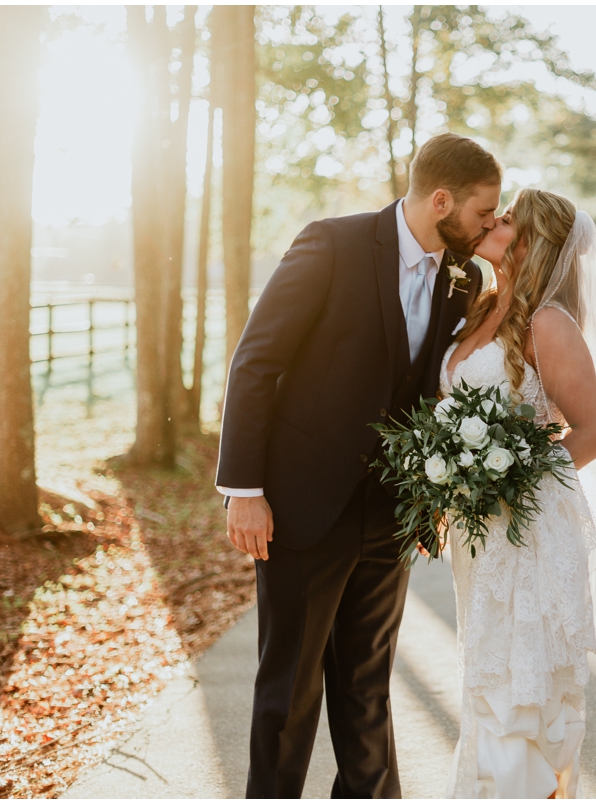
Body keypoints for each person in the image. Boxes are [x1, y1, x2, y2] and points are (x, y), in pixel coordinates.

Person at [215, 133, 502, 799]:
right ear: (440, 201)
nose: (489, 224)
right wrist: (245, 489)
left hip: (392, 516)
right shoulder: (332, 245)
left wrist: (432, 494)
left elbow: (430, 391)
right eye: (483, 212)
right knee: (288, 692)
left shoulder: (463, 280)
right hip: (300, 507)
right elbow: (256, 361)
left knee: (367, 690)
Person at [438, 188, 596, 798]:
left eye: (508, 218)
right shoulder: (483, 304)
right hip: (477, 530)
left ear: (533, 242)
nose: (495, 220)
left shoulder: (548, 323)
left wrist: (510, 478)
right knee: (485, 673)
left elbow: (593, 433)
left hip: (525, 530)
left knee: (518, 682)